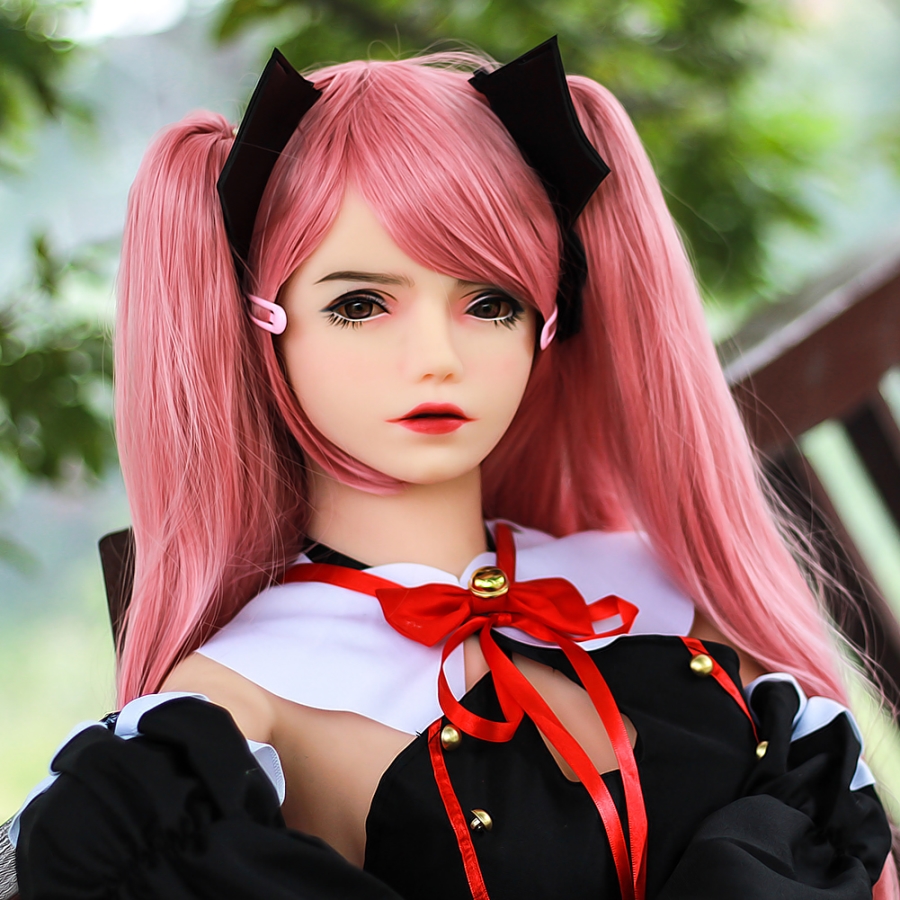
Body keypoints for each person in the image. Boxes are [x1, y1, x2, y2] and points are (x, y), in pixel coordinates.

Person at [3, 38, 896, 900]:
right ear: (263, 325)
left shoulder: (661, 589)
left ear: (547, 323)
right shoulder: (237, 708)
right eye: (360, 304)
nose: (437, 358)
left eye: (491, 302)